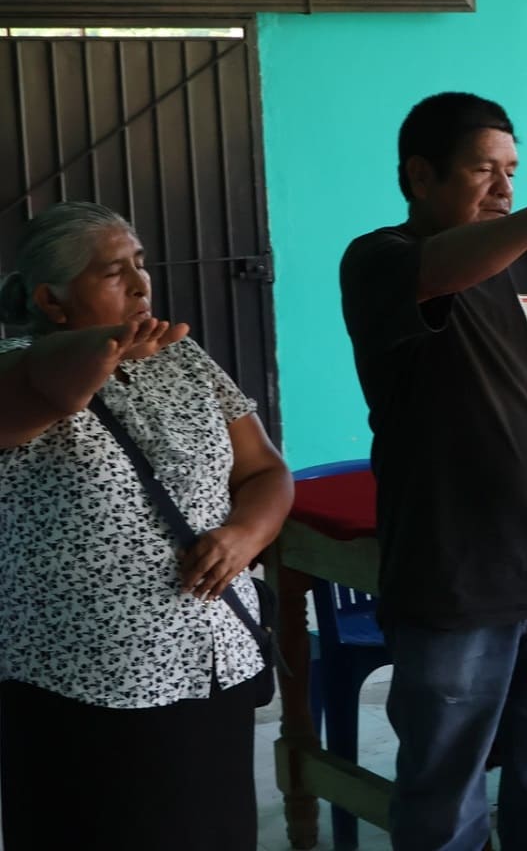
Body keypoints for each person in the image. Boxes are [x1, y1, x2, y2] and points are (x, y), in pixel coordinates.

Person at [339, 92, 527, 849]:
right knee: (445, 789)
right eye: (485, 170)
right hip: (455, 577)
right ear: (419, 177)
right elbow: (440, 271)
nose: (505, 187)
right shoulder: (380, 260)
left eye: (512, 171)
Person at [0, 202, 293, 850]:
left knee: (212, 830)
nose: (141, 284)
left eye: (141, 265)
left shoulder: (181, 359)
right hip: (88, 683)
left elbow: (267, 473)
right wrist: (105, 348)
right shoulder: (16, 362)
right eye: (114, 273)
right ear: (51, 300)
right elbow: (52, 387)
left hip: (211, 660)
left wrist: (244, 535)